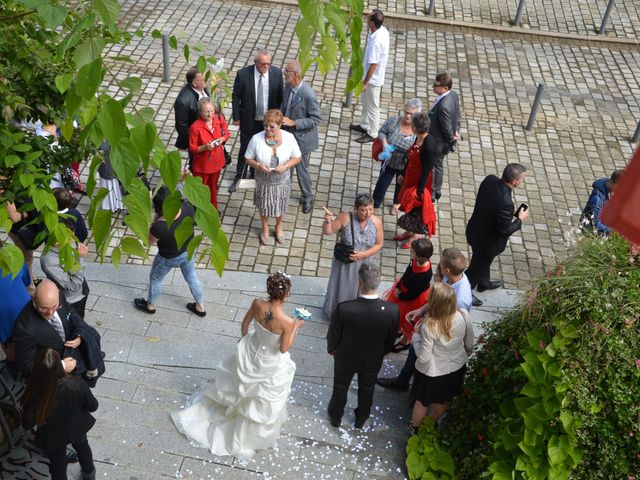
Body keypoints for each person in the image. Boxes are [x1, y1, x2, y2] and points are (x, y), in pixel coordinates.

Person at [172, 272, 303, 458]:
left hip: (250, 350)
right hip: (269, 361)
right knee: (260, 396)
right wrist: (296, 328)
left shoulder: (257, 303)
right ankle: (247, 432)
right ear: (286, 295)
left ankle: (230, 410)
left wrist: (246, 343)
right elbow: (283, 349)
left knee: (237, 384)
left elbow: (244, 324)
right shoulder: (287, 322)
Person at [377, 247, 473, 391]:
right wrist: (420, 311)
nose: (438, 266)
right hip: (432, 323)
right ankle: (404, 381)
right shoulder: (452, 277)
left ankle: (405, 384)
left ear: (447, 270)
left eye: (441, 264)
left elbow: (450, 323)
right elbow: (437, 299)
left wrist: (424, 328)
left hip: (440, 334)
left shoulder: (461, 299)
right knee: (415, 355)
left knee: (419, 356)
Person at [327, 264, 399, 428]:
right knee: (367, 388)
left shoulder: (345, 308)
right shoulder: (392, 310)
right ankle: (361, 418)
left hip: (345, 357)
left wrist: (332, 349)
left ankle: (336, 416)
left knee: (340, 386)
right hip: (372, 359)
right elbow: (390, 339)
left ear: (359, 282)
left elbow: (334, 333)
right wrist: (384, 352)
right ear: (379, 282)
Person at [21, 348, 97, 480]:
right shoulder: (76, 383)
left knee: (58, 467)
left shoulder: (34, 394)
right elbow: (93, 406)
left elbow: (27, 424)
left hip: (52, 437)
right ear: (60, 366)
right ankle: (89, 473)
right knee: (83, 447)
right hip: (76, 427)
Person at [410, 283, 474, 431]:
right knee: (444, 400)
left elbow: (424, 357)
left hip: (432, 372)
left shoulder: (429, 326)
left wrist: (415, 337)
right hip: (456, 368)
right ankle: (431, 423)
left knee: (422, 402)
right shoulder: (464, 315)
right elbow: (469, 343)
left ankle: (416, 428)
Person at [133, 187, 206, 316]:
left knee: (156, 279)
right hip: (188, 250)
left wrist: (153, 221)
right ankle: (200, 306)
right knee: (191, 276)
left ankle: (150, 306)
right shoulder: (187, 208)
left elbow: (149, 241)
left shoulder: (159, 226)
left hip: (168, 257)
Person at [466, 163, 529, 306]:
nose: (522, 181)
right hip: (487, 243)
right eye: (522, 179)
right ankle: (466, 291)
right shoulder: (506, 203)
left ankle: (483, 283)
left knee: (482, 262)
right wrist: (520, 219)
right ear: (514, 181)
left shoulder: (490, 179)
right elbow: (505, 230)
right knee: (476, 268)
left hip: (475, 230)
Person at [244, 109, 302, 245]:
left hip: (282, 180)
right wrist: (258, 165)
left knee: (281, 204)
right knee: (264, 205)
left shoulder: (288, 138)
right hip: (264, 180)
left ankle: (278, 226)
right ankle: (265, 228)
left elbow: (297, 157)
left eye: (271, 127)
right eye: (265, 125)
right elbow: (247, 158)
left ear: (280, 125)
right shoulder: (256, 139)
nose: (267, 129)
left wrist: (286, 166)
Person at [321, 193, 384, 318]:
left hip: (364, 262)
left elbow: (378, 244)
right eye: (363, 210)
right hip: (346, 263)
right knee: (343, 287)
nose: (368, 213)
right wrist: (327, 221)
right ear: (355, 209)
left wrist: (363, 254)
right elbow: (328, 231)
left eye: (370, 209)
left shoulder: (376, 222)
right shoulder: (345, 217)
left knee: (361, 288)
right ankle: (340, 313)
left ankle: (355, 314)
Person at [230, 49, 284, 193]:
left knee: (265, 147)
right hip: (249, 119)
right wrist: (236, 117)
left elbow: (280, 98)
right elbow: (236, 96)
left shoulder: (277, 74)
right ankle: (239, 177)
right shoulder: (243, 74)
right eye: (262, 64)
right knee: (245, 148)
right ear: (255, 63)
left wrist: (278, 120)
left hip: (268, 122)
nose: (265, 67)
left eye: (268, 64)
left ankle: (256, 175)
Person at [13, 280, 81, 379]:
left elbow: (71, 313)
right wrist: (61, 366)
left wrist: (80, 334)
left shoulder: (57, 297)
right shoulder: (24, 328)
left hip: (74, 356)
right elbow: (25, 367)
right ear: (34, 300)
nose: (50, 313)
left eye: (54, 307)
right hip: (50, 377)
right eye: (44, 308)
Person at [281, 59, 323, 214]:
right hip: (287, 136)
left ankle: (308, 196)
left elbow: (316, 119)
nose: (284, 74)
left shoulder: (308, 94)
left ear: (296, 75)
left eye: (287, 71)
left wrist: (294, 123)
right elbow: (284, 105)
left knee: (301, 169)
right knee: (286, 167)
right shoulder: (288, 86)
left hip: (302, 139)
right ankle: (284, 192)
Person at [394, 112, 437, 249]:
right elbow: (410, 156)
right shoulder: (418, 138)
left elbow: (426, 170)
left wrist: (419, 190)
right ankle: (410, 231)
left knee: (416, 207)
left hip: (420, 182)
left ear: (415, 128)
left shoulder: (429, 145)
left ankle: (415, 235)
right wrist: (403, 173)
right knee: (408, 204)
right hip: (411, 177)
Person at [384, 238, 433, 351]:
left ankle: (405, 341)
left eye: (412, 251)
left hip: (412, 299)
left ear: (420, 256)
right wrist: (399, 285)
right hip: (404, 290)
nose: (410, 252)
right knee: (399, 316)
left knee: (408, 322)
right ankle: (399, 330)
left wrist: (400, 295)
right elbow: (407, 272)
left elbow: (415, 293)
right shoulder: (414, 261)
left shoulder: (424, 274)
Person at [372, 99, 421, 212]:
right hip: (389, 161)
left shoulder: (418, 129)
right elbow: (382, 132)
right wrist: (384, 143)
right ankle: (375, 204)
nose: (408, 116)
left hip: (405, 164)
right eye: (406, 112)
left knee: (401, 185)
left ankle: (396, 203)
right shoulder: (394, 122)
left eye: (411, 114)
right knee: (382, 183)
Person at [350, 9, 390, 144]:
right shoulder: (382, 30)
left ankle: (373, 133)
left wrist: (365, 82)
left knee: (373, 106)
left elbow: (374, 64)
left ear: (372, 23)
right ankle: (364, 125)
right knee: (365, 102)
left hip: (373, 79)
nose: (366, 16)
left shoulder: (376, 42)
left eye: (369, 16)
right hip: (372, 76)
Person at [188, 97, 230, 209]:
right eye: (206, 111)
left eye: (211, 111)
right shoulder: (195, 127)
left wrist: (222, 139)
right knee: (201, 191)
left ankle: (213, 209)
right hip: (203, 166)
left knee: (213, 187)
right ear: (200, 112)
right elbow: (192, 148)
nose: (210, 114)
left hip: (217, 162)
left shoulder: (218, 119)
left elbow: (226, 133)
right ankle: (201, 211)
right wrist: (205, 147)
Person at [425, 72, 461, 201]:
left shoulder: (443, 107)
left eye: (436, 85)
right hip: (440, 139)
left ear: (445, 88)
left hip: (438, 142)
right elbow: (457, 115)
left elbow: (446, 128)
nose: (433, 87)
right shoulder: (453, 95)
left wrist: (452, 138)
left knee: (436, 165)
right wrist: (456, 129)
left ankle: (434, 192)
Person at [40, 227, 90, 318]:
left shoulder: (67, 240)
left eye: (72, 234)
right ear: (56, 241)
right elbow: (73, 286)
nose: (72, 240)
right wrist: (80, 259)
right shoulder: (49, 261)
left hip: (82, 291)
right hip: (72, 301)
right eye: (68, 237)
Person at [174, 66, 210, 168]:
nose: (206, 80)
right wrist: (195, 141)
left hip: (208, 132)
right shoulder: (183, 101)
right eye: (203, 79)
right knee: (196, 164)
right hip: (197, 139)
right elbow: (182, 126)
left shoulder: (202, 88)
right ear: (194, 83)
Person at [580, 169, 623, 235]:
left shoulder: (613, 190)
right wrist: (614, 232)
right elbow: (596, 225)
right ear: (611, 182)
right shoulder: (597, 199)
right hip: (592, 233)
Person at [0, 262, 31, 353]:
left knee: (11, 350)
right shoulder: (13, 256)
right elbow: (27, 281)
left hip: (6, 320)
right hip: (27, 312)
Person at [97, 141, 124, 212]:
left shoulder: (103, 142)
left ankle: (112, 206)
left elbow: (101, 150)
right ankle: (114, 205)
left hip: (108, 167)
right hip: (108, 167)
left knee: (110, 186)